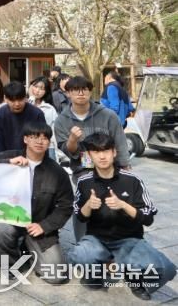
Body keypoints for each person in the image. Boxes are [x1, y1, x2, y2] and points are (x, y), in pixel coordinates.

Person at [69, 133, 176, 299]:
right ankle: (95, 274)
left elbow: (148, 218)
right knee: (79, 255)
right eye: (96, 152)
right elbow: (80, 216)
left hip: (129, 241)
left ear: (114, 152)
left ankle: (134, 278)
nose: (102, 156)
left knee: (166, 269)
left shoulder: (132, 180)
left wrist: (124, 205)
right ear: (89, 155)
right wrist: (88, 205)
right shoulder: (84, 181)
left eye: (106, 150)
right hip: (97, 240)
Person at [0, 121, 72, 285]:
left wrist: (45, 226)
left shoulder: (57, 172)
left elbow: (66, 206)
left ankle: (28, 248)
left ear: (49, 142)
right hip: (10, 220)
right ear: (25, 139)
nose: (40, 141)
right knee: (0, 230)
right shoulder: (9, 157)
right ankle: (10, 265)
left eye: (45, 138)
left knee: (56, 275)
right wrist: (7, 164)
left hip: (38, 226)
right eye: (34, 137)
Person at [55, 75, 130, 241]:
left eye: (85, 89)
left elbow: (120, 141)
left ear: (90, 92)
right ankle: (83, 241)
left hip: (111, 167)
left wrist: (125, 166)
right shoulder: (61, 120)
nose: (81, 93)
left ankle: (116, 239)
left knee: (115, 201)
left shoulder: (108, 115)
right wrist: (72, 140)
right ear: (68, 93)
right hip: (83, 169)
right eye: (75, 90)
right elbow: (68, 151)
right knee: (85, 200)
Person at [0, 81, 46, 155]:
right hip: (6, 158)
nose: (17, 104)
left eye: (20, 99)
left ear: (26, 98)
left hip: (32, 157)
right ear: (5, 99)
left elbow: (42, 141)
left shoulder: (37, 114)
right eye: (12, 100)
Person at [28, 76, 58, 159]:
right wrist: (31, 99)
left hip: (47, 146)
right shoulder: (22, 105)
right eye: (35, 86)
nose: (37, 90)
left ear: (46, 91)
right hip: (28, 145)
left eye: (41, 88)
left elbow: (54, 130)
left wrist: (54, 148)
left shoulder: (49, 108)